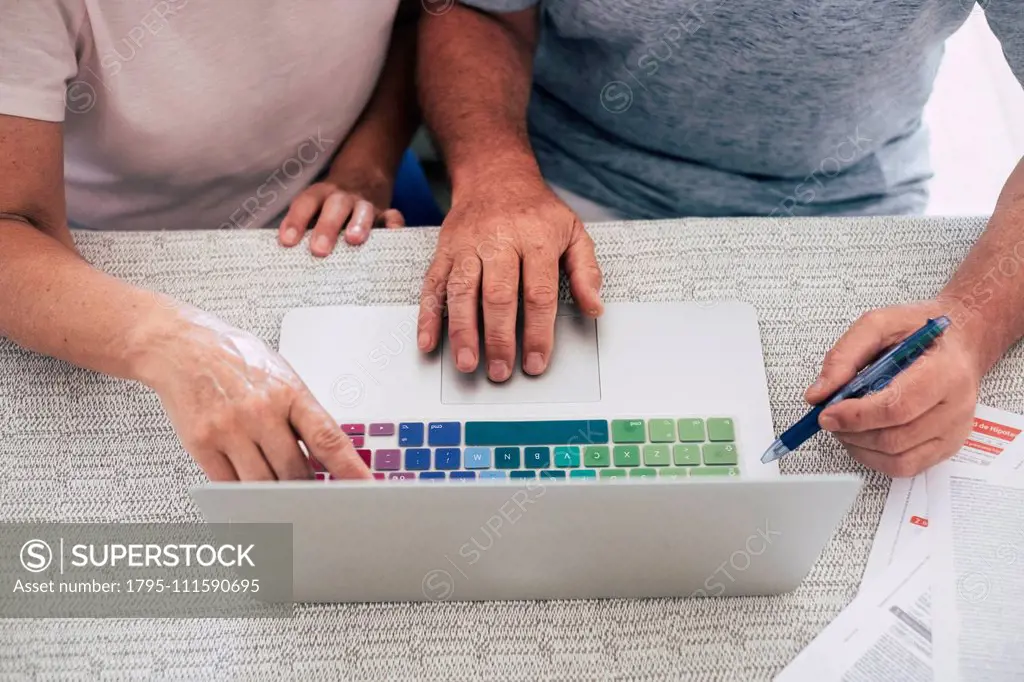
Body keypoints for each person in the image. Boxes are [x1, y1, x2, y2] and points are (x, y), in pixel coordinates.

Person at [416, 1, 1024, 477]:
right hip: (555, 174)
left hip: (847, 197)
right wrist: (496, 175)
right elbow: (474, 9)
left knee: (869, 465)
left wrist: (973, 322)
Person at [0, 0, 423, 480]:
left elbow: (425, 15)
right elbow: (11, 219)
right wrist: (176, 343)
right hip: (91, 242)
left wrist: (369, 164)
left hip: (345, 172)